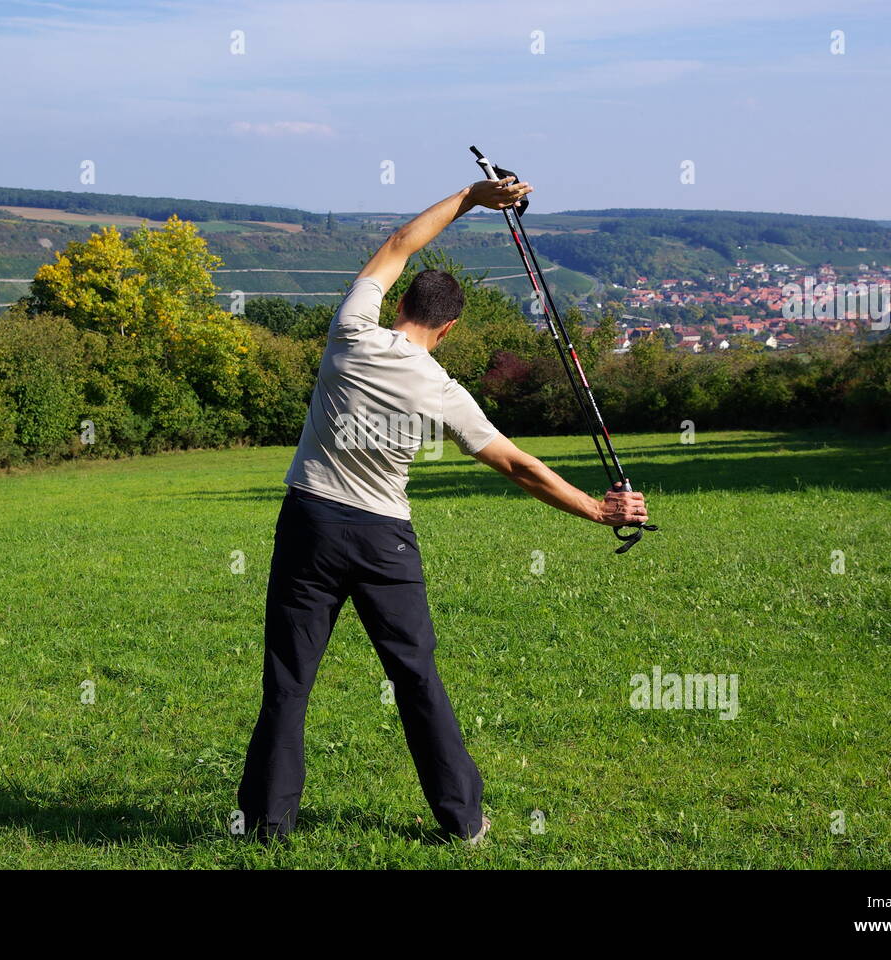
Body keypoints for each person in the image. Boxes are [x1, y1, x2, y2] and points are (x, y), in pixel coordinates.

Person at [237, 175, 649, 844]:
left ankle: (265, 829)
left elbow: (400, 241)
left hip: (309, 521)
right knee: (416, 680)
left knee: (288, 683)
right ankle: (461, 823)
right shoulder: (443, 392)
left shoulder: (350, 334)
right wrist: (599, 512)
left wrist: (470, 198)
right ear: (449, 327)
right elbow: (520, 466)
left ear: (398, 302)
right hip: (382, 540)